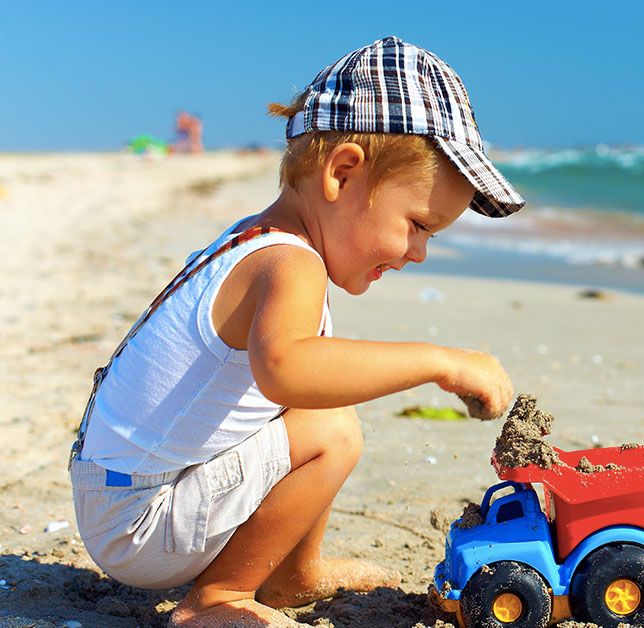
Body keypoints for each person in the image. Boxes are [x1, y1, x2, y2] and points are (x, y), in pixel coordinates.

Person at [69, 37, 524, 626]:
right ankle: (219, 597)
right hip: (140, 522)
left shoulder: (253, 239)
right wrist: (441, 362)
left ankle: (288, 575)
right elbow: (287, 372)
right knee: (330, 428)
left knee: (318, 414)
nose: (420, 253)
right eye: (417, 225)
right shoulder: (291, 263)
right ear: (341, 172)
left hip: (120, 495)